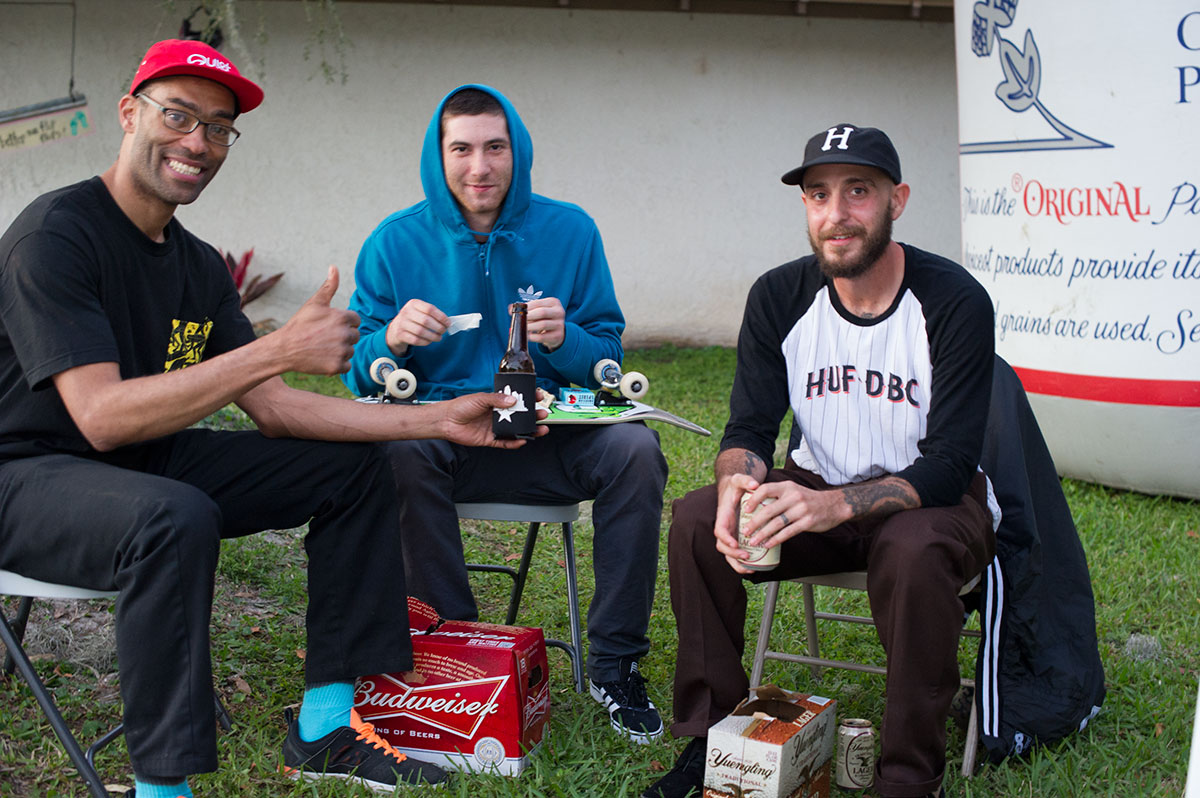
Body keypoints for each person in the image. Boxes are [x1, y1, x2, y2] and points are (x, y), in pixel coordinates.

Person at [0, 40, 543, 797]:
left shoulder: (193, 264)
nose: (198, 141)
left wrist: (437, 419)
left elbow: (279, 410)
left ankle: (325, 728)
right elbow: (98, 418)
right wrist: (276, 348)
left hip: (136, 464)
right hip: (25, 471)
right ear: (129, 114)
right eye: (179, 115)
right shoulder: (56, 235)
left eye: (218, 127)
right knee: (173, 516)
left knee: (353, 471)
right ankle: (162, 787)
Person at [644, 124, 999, 798]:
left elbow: (951, 462)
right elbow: (749, 427)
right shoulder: (779, 296)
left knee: (913, 552)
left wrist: (831, 504)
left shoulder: (954, 301)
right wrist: (736, 484)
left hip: (932, 503)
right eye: (817, 195)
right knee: (695, 522)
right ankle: (709, 742)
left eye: (857, 192)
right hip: (815, 488)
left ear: (898, 198)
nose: (835, 215)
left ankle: (906, 776)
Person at [341, 85, 669, 743]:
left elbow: (606, 354)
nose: (480, 167)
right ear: (439, 156)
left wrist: (565, 338)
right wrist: (392, 339)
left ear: (517, 151)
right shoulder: (394, 242)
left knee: (636, 451)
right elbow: (358, 371)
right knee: (393, 453)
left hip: (549, 440)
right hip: (446, 442)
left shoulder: (569, 230)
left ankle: (615, 665)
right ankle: (452, 655)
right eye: (461, 149)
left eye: (495, 147)